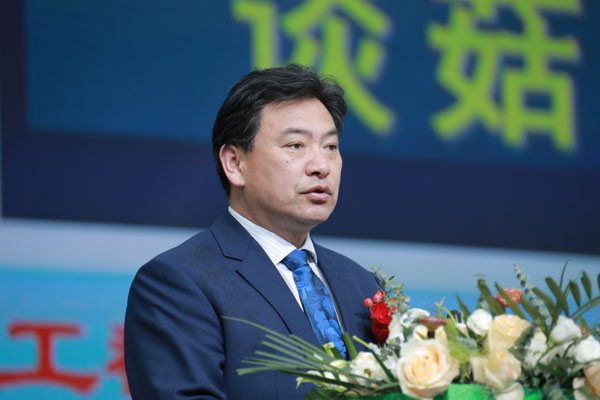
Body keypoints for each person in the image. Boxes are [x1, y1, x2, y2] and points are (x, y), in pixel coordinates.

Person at [124, 64, 380, 399]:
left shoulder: (363, 286)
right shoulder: (178, 284)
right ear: (235, 163)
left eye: (330, 147)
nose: (321, 166)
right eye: (295, 145)